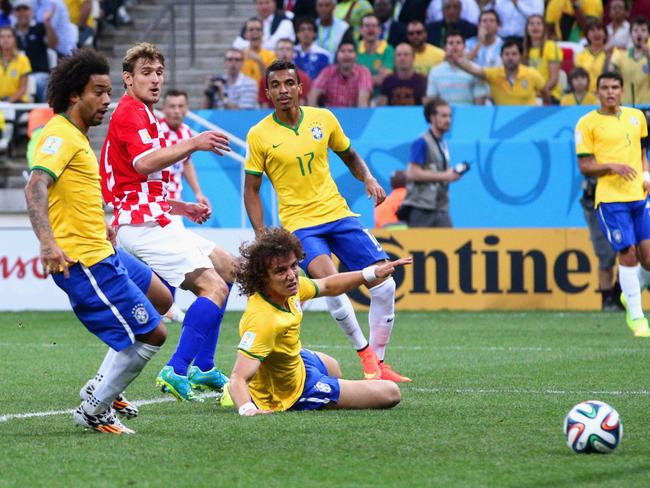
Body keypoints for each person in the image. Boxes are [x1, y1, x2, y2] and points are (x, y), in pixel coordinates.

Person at [24, 48, 170, 434]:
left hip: (104, 248)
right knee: (154, 332)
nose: (107, 101)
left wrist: (103, 221)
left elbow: (73, 194)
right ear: (75, 94)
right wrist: (46, 242)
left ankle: (102, 385)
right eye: (99, 93)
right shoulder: (58, 134)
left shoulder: (77, 137)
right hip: (83, 261)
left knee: (162, 297)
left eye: (108, 93)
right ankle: (96, 407)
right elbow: (36, 184)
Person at [245, 59, 411, 382]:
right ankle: (366, 359)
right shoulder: (259, 135)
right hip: (301, 225)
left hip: (338, 214)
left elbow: (349, 154)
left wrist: (368, 179)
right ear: (267, 92)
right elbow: (251, 190)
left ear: (299, 87)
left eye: (288, 83)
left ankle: (380, 363)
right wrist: (261, 233)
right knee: (331, 285)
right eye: (276, 85)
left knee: (386, 284)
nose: (283, 90)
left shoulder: (323, 119)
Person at [100, 42, 236, 401]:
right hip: (143, 228)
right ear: (127, 79)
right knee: (214, 288)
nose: (155, 80)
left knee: (228, 271)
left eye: (159, 72)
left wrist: (183, 207)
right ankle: (176, 369)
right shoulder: (130, 112)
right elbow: (144, 164)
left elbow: (140, 185)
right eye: (146, 73)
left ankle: (203, 369)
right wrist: (193, 142)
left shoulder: (147, 115)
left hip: (157, 218)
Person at [227, 228, 408, 415]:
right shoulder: (262, 320)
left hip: (296, 361)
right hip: (288, 392)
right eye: (281, 271)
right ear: (263, 278)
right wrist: (247, 409)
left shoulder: (290, 289)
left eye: (293, 265)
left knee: (334, 367)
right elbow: (238, 377)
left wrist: (371, 273)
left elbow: (328, 285)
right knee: (391, 392)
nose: (291, 275)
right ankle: (251, 396)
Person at [575, 71, 650, 337]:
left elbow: (642, 153)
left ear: (621, 91)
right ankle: (637, 317)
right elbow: (584, 165)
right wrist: (610, 166)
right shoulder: (587, 124)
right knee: (627, 252)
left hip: (639, 196)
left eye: (615, 87)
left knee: (648, 258)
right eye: (605, 87)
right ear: (597, 92)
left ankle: (630, 293)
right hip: (610, 199)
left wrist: (646, 175)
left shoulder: (636, 117)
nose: (610, 92)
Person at [159, 88, 211, 323]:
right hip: (157, 204)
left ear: (187, 109)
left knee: (170, 256)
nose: (176, 111)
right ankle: (166, 306)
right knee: (171, 255)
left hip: (175, 206)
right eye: (172, 106)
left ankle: (165, 306)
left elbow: (187, 163)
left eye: (181, 106)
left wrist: (199, 192)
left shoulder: (188, 134)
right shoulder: (156, 131)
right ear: (164, 108)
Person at [400, 97, 464, 228]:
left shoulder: (442, 143)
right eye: (444, 116)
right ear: (432, 117)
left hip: (441, 207)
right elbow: (412, 173)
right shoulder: (421, 142)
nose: (448, 120)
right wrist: (445, 176)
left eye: (450, 116)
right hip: (421, 208)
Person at [452, 38, 546, 105]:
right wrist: (456, 58)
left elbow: (545, 92)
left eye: (514, 54)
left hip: (528, 121)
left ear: (520, 57)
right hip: (502, 122)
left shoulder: (531, 73)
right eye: (507, 54)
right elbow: (472, 69)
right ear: (501, 57)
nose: (510, 57)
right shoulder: (494, 74)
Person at [13, 0, 58, 103]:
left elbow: (53, 44)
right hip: (17, 75)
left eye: (25, 9)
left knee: (41, 82)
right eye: (18, 10)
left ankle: (46, 112)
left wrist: (48, 24)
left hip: (39, 73)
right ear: (14, 13)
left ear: (31, 12)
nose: (22, 13)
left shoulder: (40, 28)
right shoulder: (11, 32)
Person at [427, 30, 488, 104]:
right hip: (443, 114)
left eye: (458, 43)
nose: (454, 46)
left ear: (464, 47)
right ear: (445, 47)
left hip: (469, 113)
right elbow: (431, 99)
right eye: (450, 43)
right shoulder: (435, 71)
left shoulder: (476, 70)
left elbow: (480, 100)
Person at [308, 40, 372, 107]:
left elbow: (363, 102)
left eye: (350, 51)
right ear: (337, 55)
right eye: (342, 51)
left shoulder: (363, 72)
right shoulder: (328, 72)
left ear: (356, 55)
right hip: (330, 115)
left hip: (355, 115)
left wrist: (360, 116)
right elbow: (313, 95)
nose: (346, 55)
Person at [609, 17, 650, 106]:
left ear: (648, 34)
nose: (639, 33)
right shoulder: (620, 54)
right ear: (630, 34)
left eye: (643, 30)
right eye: (635, 30)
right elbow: (610, 73)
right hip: (626, 107)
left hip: (647, 108)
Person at [260, 37, 311, 107]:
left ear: (293, 53)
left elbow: (303, 104)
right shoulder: (266, 79)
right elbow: (264, 107)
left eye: (288, 49)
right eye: (281, 49)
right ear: (275, 52)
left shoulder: (303, 77)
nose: (284, 52)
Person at [523, 14, 563, 105]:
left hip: (549, 95)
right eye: (531, 24)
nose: (535, 27)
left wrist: (541, 93)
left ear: (544, 28)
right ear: (527, 29)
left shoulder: (551, 46)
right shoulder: (523, 52)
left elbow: (553, 79)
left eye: (538, 24)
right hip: (529, 97)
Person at [357, 13, 394, 97]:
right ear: (361, 30)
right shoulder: (354, 48)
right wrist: (374, 79)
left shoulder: (388, 50)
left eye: (374, 26)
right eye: (367, 26)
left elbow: (384, 79)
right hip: (355, 96)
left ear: (380, 30)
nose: (371, 29)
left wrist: (361, 82)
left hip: (380, 97)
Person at [575, 21, 609, 94]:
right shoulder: (580, 55)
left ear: (605, 34)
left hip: (604, 94)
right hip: (585, 96)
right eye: (592, 30)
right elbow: (577, 78)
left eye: (599, 29)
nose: (596, 33)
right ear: (587, 35)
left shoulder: (612, 54)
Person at [240, 18, 276, 85]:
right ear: (245, 34)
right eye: (251, 30)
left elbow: (271, 81)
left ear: (263, 33)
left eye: (258, 29)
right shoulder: (240, 56)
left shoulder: (271, 55)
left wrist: (259, 61)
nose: (255, 32)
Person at [0, 27, 31, 103]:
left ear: (14, 40)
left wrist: (8, 102)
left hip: (18, 102)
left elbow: (23, 89)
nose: (5, 39)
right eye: (2, 37)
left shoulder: (23, 60)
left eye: (9, 36)